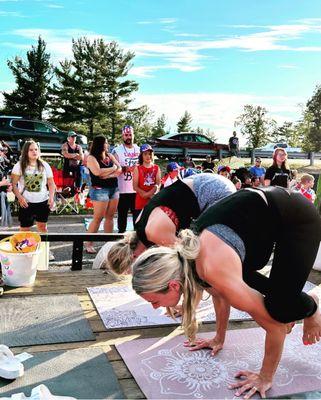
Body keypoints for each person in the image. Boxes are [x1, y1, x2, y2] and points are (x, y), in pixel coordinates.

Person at [131, 186, 321, 399]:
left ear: (174, 285)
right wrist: (219, 338)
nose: (155, 307)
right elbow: (219, 295)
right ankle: (294, 299)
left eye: (154, 301)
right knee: (245, 288)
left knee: (280, 310)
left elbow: (275, 328)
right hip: (256, 223)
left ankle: (310, 305)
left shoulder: (212, 268)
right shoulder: (188, 262)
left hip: (296, 217)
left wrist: (265, 377)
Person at [106, 173, 236, 274]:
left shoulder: (155, 234)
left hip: (217, 191)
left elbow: (190, 260)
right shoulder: (139, 224)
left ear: (134, 257)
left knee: (205, 258)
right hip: (203, 181)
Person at [85, 135, 122, 253]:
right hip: (99, 190)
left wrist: (107, 174)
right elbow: (97, 172)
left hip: (114, 189)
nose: (108, 145)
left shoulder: (110, 156)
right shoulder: (91, 158)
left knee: (110, 217)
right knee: (98, 218)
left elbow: (119, 169)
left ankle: (108, 243)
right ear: (100, 144)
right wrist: (113, 169)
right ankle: (89, 243)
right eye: (106, 143)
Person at [11, 139, 56, 234]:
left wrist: (51, 198)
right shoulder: (19, 166)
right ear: (26, 151)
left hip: (43, 201)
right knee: (24, 230)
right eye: (31, 150)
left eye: (36, 149)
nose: (34, 152)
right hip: (26, 202)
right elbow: (14, 185)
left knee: (42, 227)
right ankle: (24, 248)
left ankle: (44, 248)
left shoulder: (45, 165)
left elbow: (51, 184)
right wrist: (20, 198)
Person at [112, 125, 140, 233]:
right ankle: (121, 237)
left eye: (130, 134)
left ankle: (136, 238)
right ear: (122, 136)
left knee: (137, 215)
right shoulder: (117, 150)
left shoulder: (139, 149)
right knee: (122, 215)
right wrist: (127, 168)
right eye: (126, 135)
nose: (128, 137)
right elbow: (114, 168)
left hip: (136, 189)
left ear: (133, 135)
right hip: (122, 189)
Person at [132, 144, 161, 220]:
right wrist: (145, 194)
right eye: (145, 154)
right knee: (139, 226)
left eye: (150, 154)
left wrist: (149, 194)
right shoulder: (137, 168)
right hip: (140, 202)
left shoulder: (156, 168)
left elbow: (158, 183)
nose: (148, 156)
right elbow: (135, 186)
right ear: (141, 155)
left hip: (153, 201)